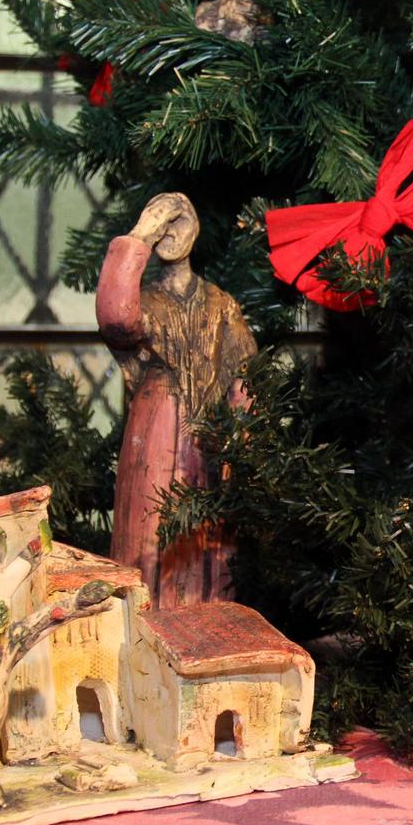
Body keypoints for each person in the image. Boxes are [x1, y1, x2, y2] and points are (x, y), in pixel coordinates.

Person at [97, 192, 257, 608]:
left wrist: (239, 443)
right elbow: (116, 318)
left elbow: (244, 374)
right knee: (148, 529)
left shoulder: (221, 304)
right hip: (156, 427)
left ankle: (207, 625)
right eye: (160, 224)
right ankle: (144, 623)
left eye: (176, 221)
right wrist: (141, 235)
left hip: (209, 439)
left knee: (208, 537)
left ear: (194, 229)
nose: (168, 232)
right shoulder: (146, 302)